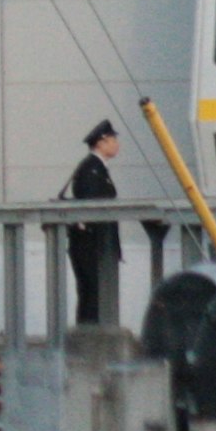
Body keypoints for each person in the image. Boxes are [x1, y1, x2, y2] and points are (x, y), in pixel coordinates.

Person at [63, 119, 123, 327]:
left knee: (94, 293)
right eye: (112, 139)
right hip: (91, 244)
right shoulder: (91, 169)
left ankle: (91, 334)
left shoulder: (98, 168)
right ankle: (88, 339)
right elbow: (91, 206)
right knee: (92, 292)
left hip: (95, 243)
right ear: (100, 143)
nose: (116, 144)